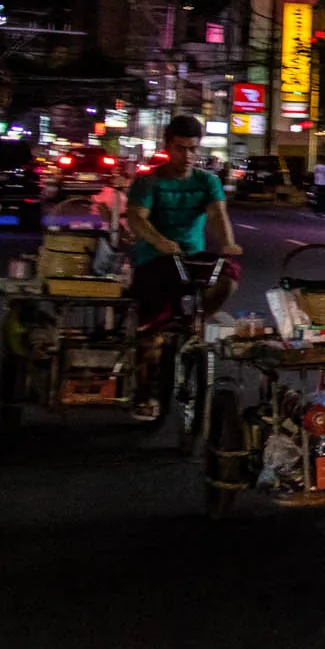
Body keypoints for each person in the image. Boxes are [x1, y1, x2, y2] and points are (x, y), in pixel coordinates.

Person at [126, 114, 242, 420]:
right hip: (154, 260)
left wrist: (227, 245)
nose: (188, 155)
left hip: (191, 258)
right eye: (180, 148)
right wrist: (160, 241)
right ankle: (145, 393)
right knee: (152, 331)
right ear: (167, 147)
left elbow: (217, 216)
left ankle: (197, 322)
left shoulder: (208, 181)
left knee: (228, 278)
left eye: (193, 149)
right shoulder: (148, 181)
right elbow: (137, 218)